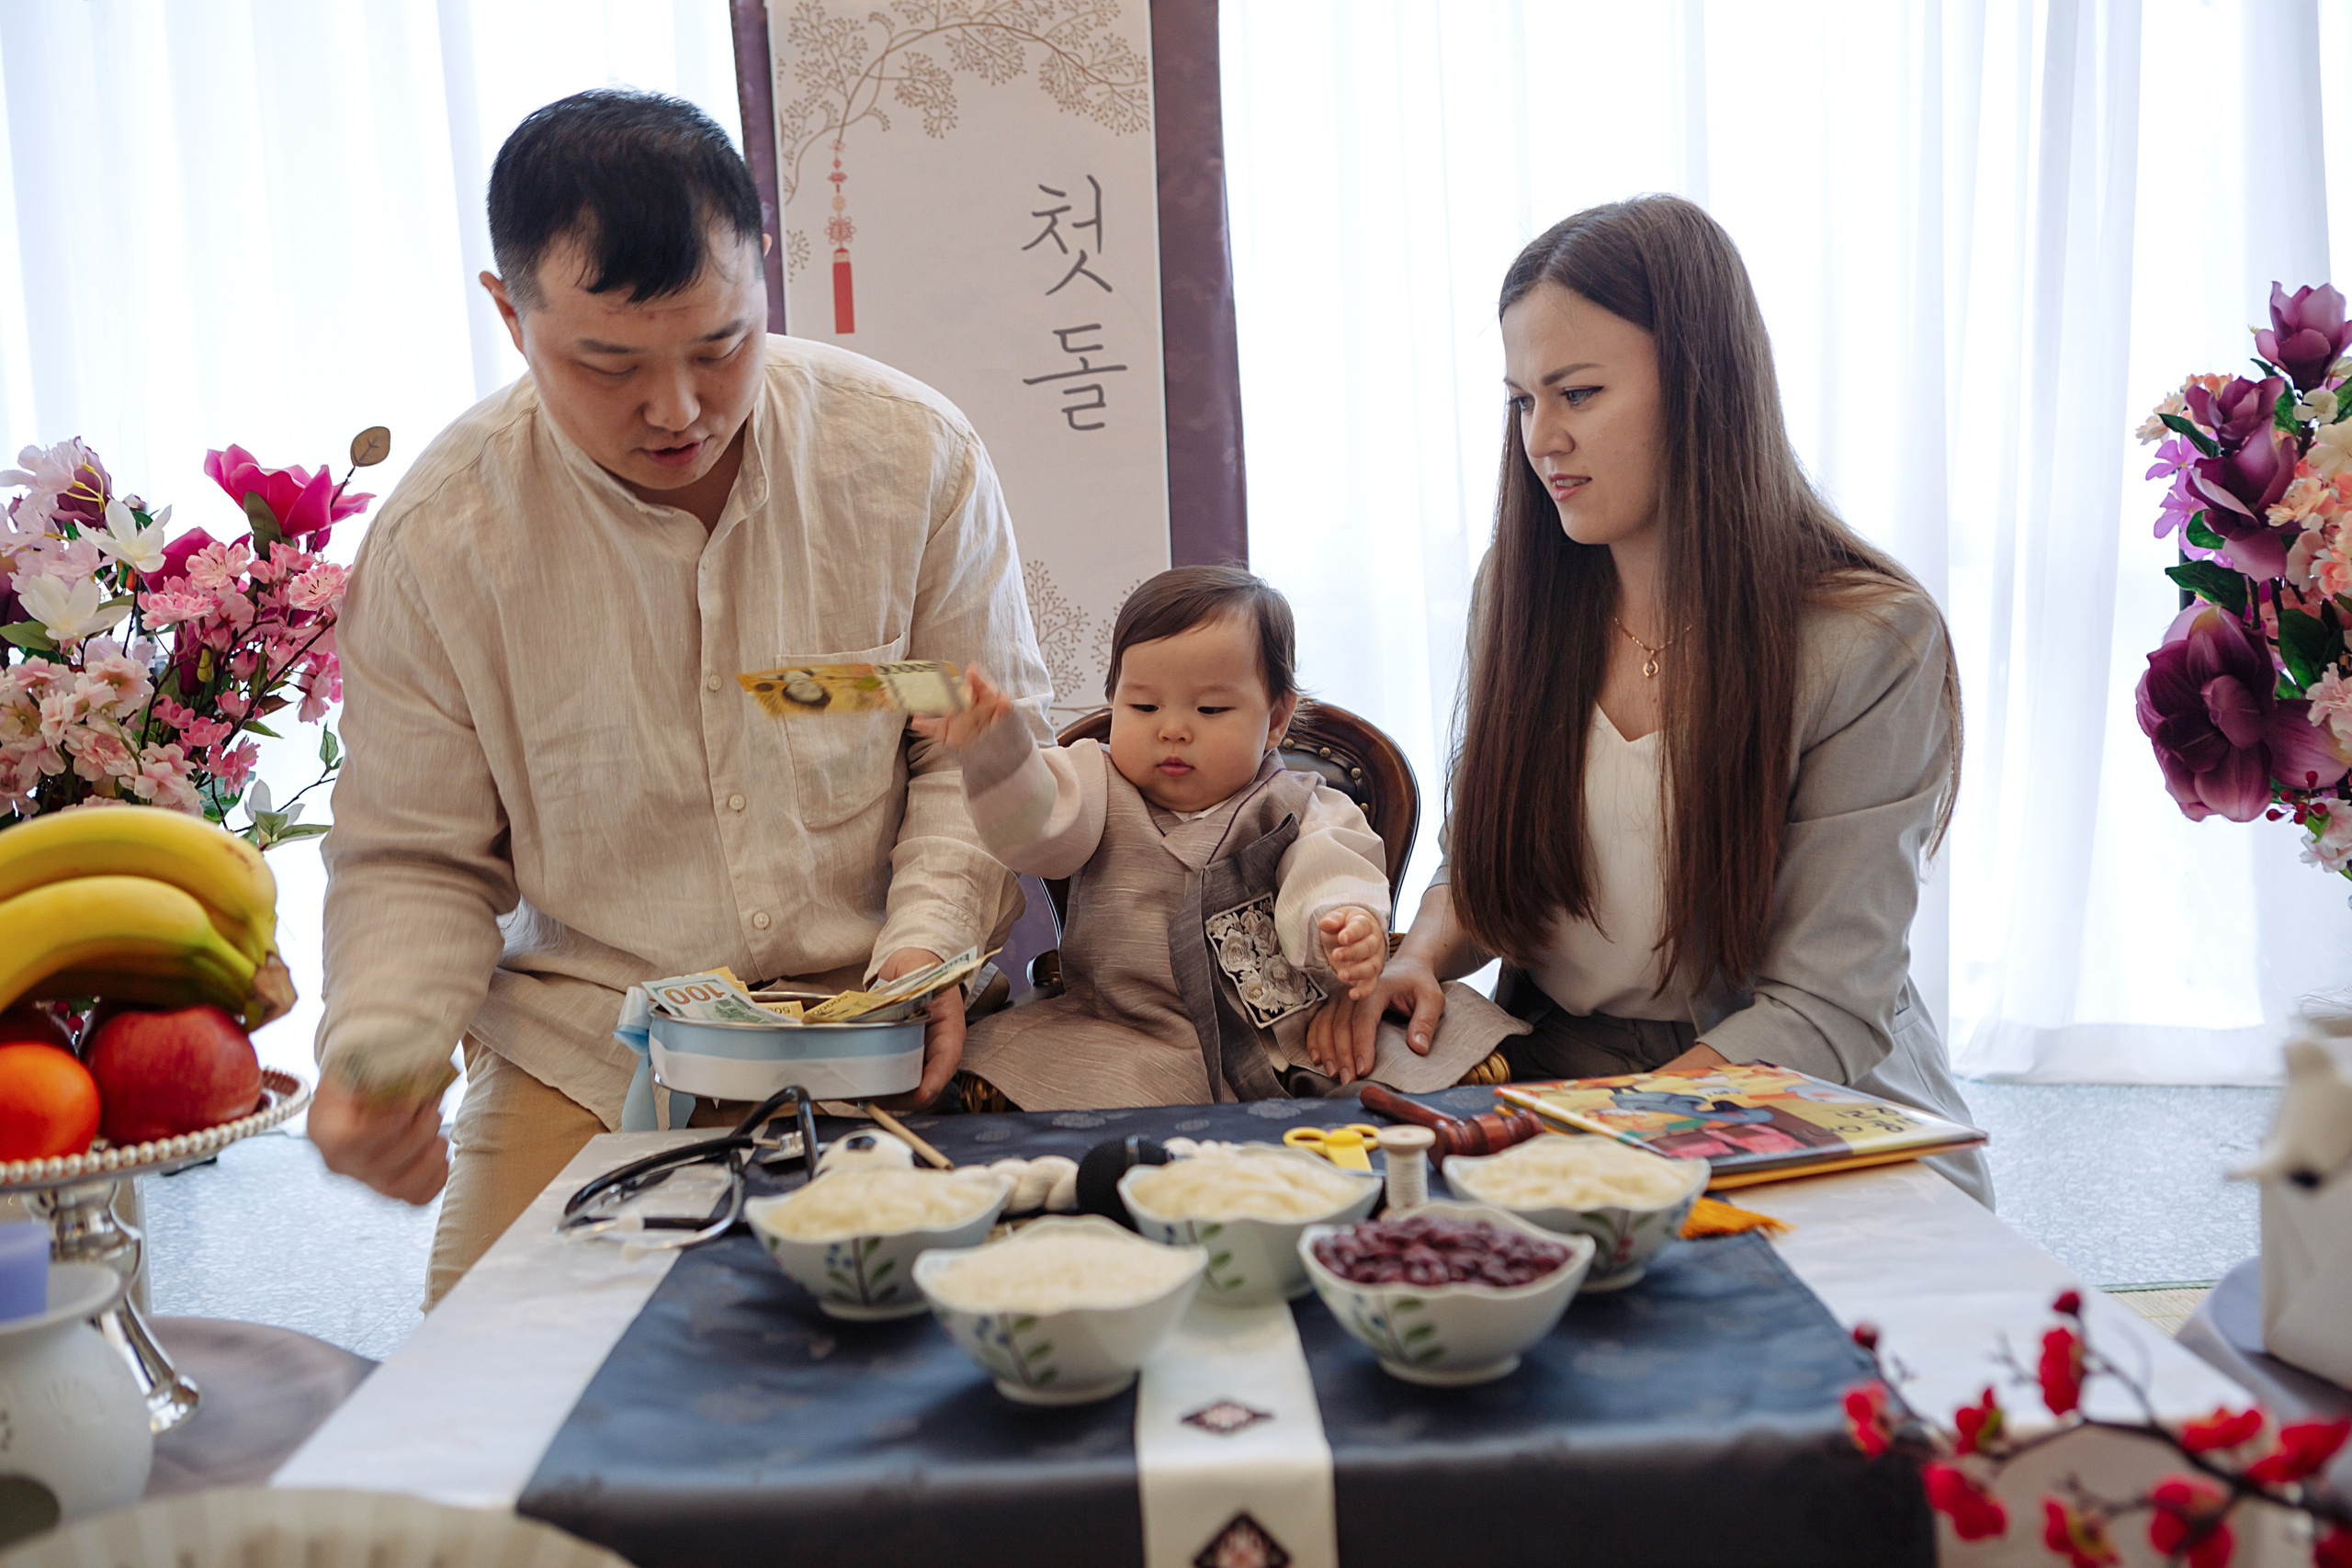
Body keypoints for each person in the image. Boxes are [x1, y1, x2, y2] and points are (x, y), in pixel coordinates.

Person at [307, 89, 1051, 1303]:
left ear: (766, 280)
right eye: (609, 363)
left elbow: (970, 764)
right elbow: (416, 855)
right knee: (492, 1427)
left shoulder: (911, 456)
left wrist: (925, 952)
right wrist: (377, 1054)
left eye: (721, 345)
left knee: (951, 1392)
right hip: (585, 1045)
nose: (679, 408)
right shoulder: (443, 539)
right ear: (510, 314)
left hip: (881, 1024)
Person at [1307, 195, 1991, 1205]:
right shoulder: (1520, 589)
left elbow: (1824, 1007)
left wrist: (1604, 1142)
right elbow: (1491, 859)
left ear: (1703, 388)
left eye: (1578, 393)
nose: (1543, 439)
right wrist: (1422, 954)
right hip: (1561, 1069)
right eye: (1521, 401)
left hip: (1787, 1088)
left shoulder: (1865, 638)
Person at [916, 566, 1525, 1110]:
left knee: (1431, 1055)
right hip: (1130, 1037)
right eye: (1144, 706)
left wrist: (1342, 922)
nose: (1173, 730)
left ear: (1276, 719)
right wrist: (997, 753)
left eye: (1209, 711)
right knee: (1045, 1075)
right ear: (1114, 702)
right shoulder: (1093, 784)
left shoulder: (1300, 803)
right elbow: (1035, 829)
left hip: (1296, 1035)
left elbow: (1331, 862)